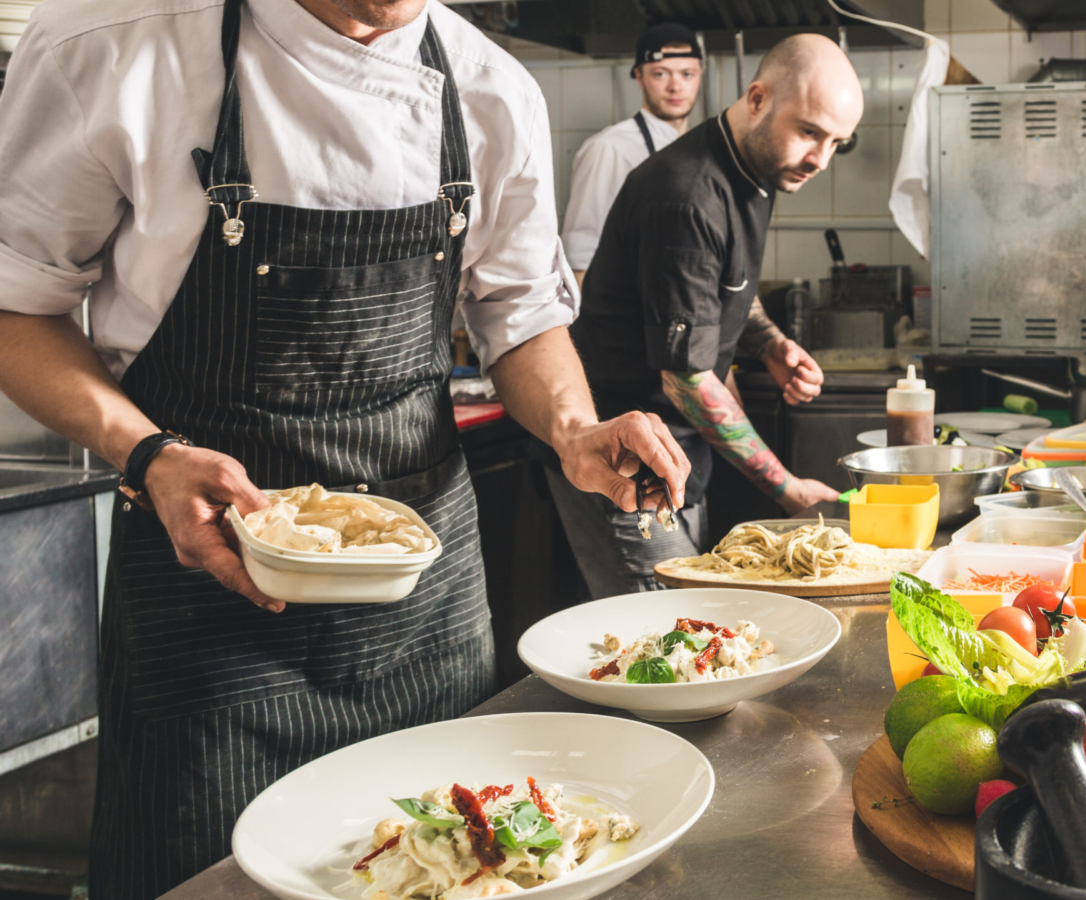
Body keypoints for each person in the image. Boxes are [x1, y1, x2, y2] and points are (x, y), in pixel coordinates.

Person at [0, 0, 687, 896]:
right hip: (209, 590)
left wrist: (574, 428)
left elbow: (517, 310)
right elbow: (19, 308)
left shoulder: (490, 88)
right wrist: (147, 454)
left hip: (424, 608)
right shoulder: (116, 50)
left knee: (464, 870)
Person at [547, 34, 863, 597]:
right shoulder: (687, 195)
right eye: (810, 132)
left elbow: (729, 284)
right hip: (625, 465)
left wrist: (767, 343)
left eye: (838, 141)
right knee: (665, 642)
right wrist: (787, 488)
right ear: (759, 98)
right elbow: (685, 377)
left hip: (683, 459)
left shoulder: (757, 172)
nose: (819, 159)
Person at [562, 22, 703, 285]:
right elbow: (581, 257)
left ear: (699, 75)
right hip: (626, 317)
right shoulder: (610, 148)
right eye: (661, 74)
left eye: (687, 74)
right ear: (639, 77)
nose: (675, 86)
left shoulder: (702, 150)